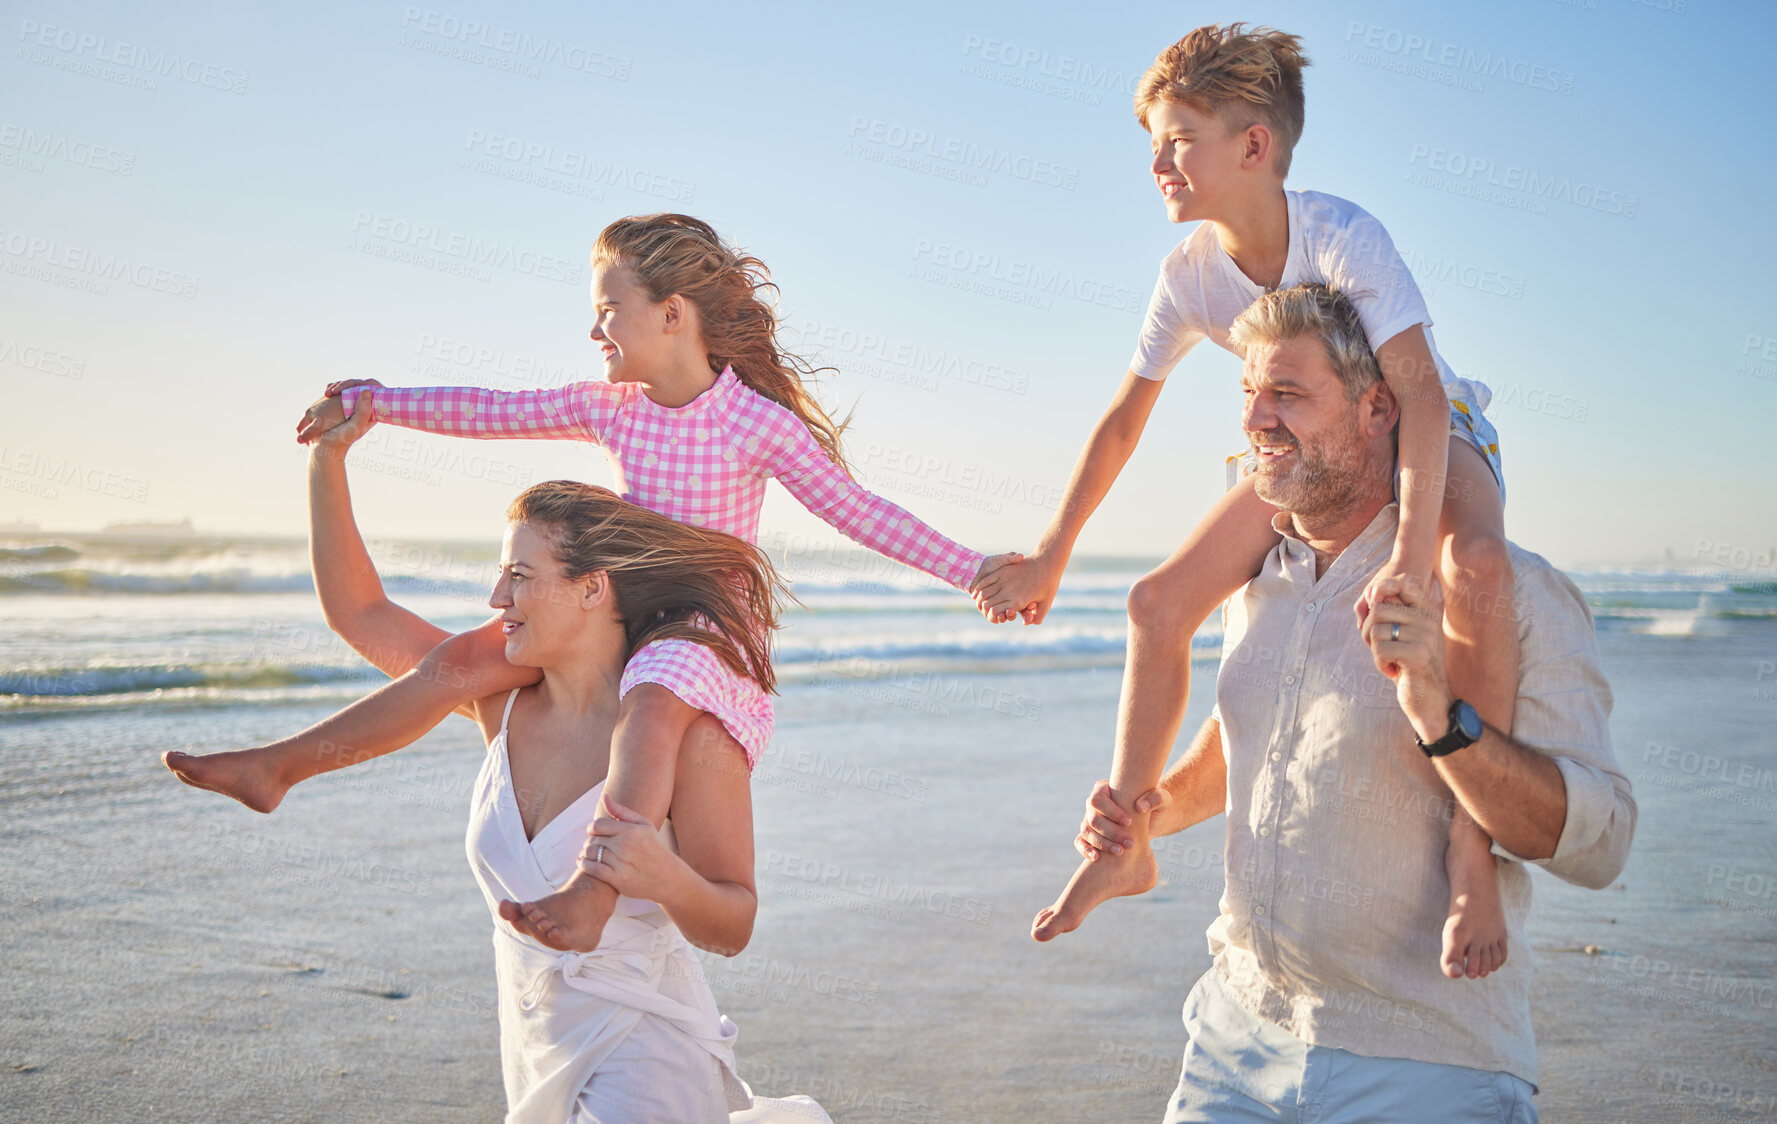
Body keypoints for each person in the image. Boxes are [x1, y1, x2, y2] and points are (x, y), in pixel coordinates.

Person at [169, 212, 1018, 954]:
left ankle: (594, 889)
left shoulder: (756, 426)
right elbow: (490, 410)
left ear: (672, 315)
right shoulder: (615, 407)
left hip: (703, 623)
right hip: (629, 603)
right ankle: (279, 767)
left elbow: (857, 511)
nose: (596, 331)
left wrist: (973, 570)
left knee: (650, 701)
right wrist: (377, 402)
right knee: (461, 662)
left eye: (609, 310)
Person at [992, 26, 1517, 981]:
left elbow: (1424, 400)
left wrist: (1408, 563)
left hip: (1426, 429)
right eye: (1151, 138)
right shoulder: (1189, 274)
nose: (1155, 160)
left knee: (1475, 568)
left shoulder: (1342, 236)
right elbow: (1121, 421)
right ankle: (1124, 846)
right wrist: (1052, 551)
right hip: (1309, 448)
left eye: (1178, 137)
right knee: (1153, 604)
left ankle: (1474, 856)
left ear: (1252, 145)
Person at [1072, 284, 1634, 1122]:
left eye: (1287, 395)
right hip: (1234, 1039)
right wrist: (1148, 814)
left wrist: (1442, 720)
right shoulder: (1259, 579)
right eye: (1248, 394)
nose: (1254, 419)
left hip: (1426, 1064)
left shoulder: (1503, 593)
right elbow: (1250, 748)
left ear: (1379, 410)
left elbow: (1599, 845)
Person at [175, 400, 828, 1122]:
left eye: (519, 575)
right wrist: (327, 460)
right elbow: (360, 613)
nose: (496, 597)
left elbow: (731, 924)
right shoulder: (498, 707)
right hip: (533, 1056)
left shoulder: (691, 735)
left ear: (591, 588)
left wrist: (662, 873)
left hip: (647, 1058)